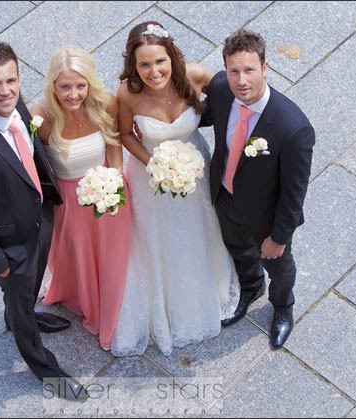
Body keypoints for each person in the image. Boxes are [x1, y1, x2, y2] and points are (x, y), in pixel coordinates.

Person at [0, 40, 87, 400]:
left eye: (11, 81)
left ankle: (17, 314)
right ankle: (45, 368)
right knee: (22, 297)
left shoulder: (15, 106)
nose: (6, 91)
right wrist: (0, 266)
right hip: (11, 248)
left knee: (25, 295)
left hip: (39, 219)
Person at [111, 21, 241, 357]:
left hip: (194, 171)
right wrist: (151, 163)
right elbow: (124, 135)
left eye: (160, 61)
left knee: (199, 229)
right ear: (133, 65)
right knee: (158, 239)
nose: (154, 72)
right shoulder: (128, 94)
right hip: (150, 177)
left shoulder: (196, 76)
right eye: (144, 64)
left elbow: (235, 95)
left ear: (172, 57)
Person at [201, 29, 315, 349]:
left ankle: (282, 305)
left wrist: (278, 238)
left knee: (279, 267)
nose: (241, 80)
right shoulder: (222, 90)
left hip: (267, 217)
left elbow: (295, 193)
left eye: (249, 70)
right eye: (233, 71)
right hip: (224, 195)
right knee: (237, 247)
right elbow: (205, 116)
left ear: (266, 68)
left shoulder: (293, 127)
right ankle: (251, 287)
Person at [30, 45, 132, 351]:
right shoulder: (42, 118)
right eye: (65, 87)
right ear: (52, 86)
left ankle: (112, 302)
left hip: (107, 193)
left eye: (80, 85)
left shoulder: (105, 104)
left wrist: (115, 181)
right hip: (70, 204)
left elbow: (113, 145)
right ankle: (85, 297)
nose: (73, 94)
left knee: (114, 257)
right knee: (79, 257)